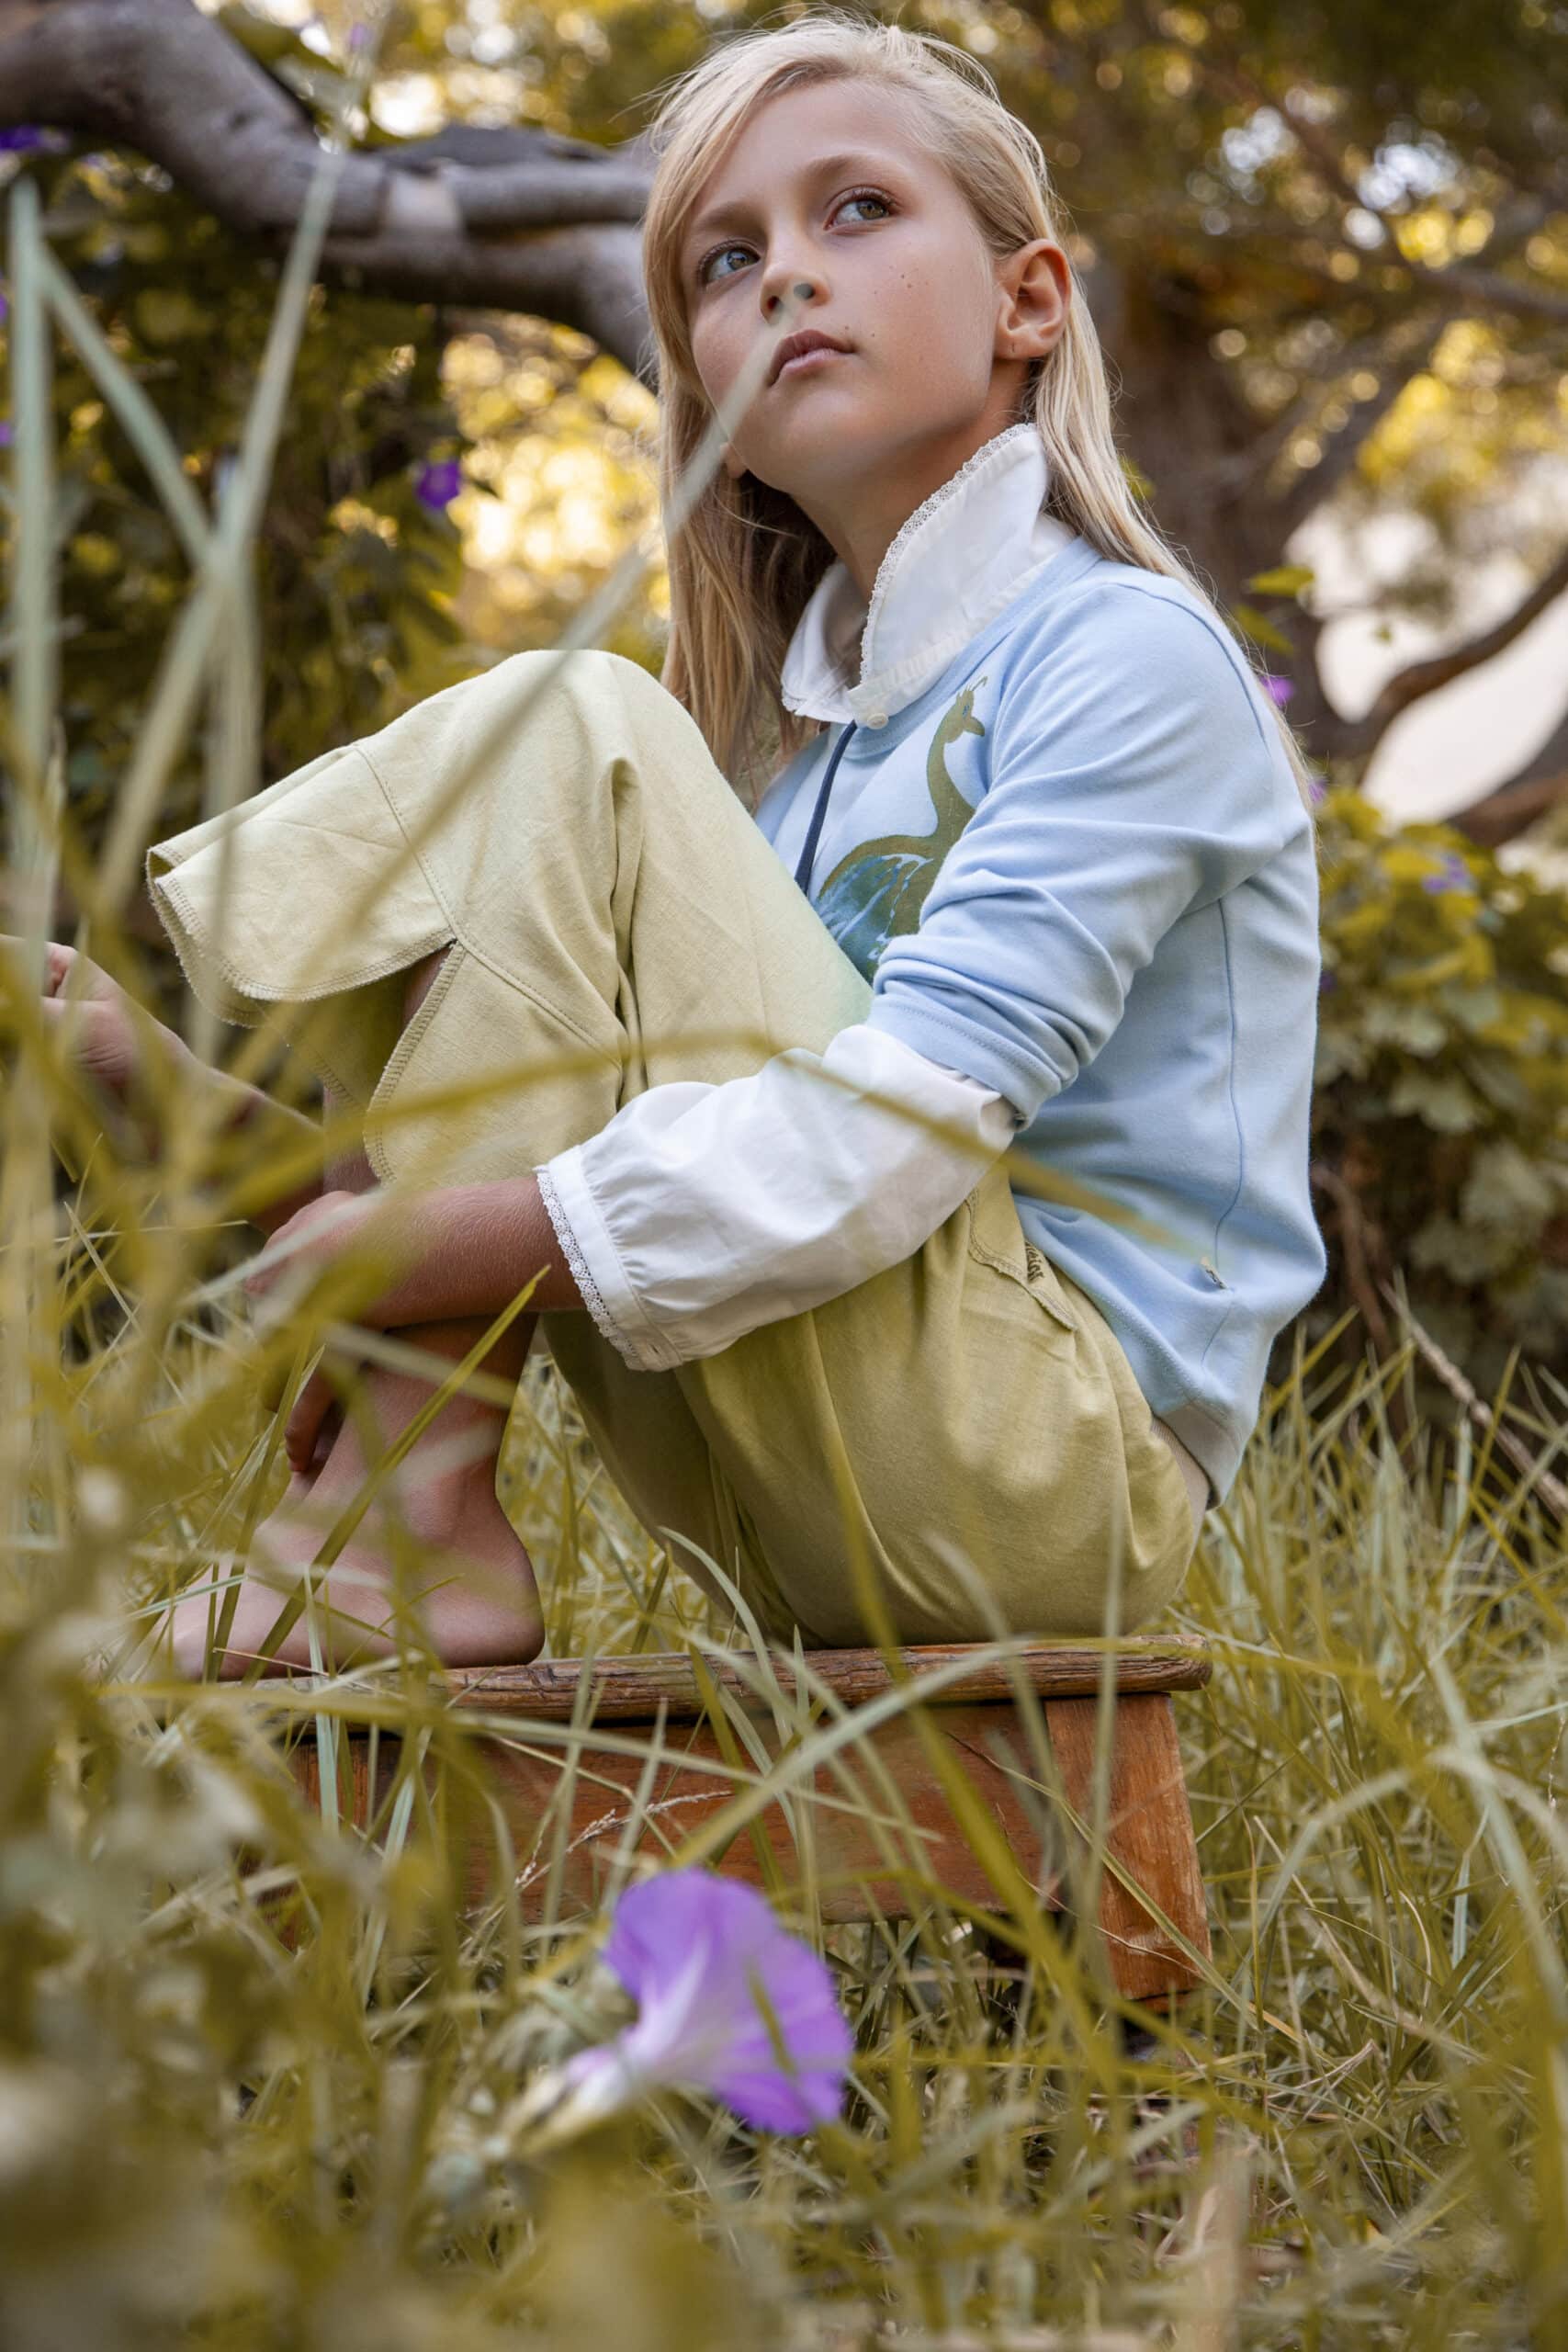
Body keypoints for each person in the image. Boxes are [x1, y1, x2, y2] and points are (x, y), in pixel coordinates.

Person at [41, 9, 1328, 1676]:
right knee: (573, 760)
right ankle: (389, 1515)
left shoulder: (1122, 656)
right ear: (701, 385)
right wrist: (211, 1121)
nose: (788, 274)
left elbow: (890, 1134)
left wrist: (443, 1248)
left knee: (575, 730)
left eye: (856, 210)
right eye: (727, 260)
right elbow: (590, 1174)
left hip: (1053, 1491)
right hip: (784, 1480)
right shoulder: (767, 766)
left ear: (1029, 300)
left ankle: (392, 1542)